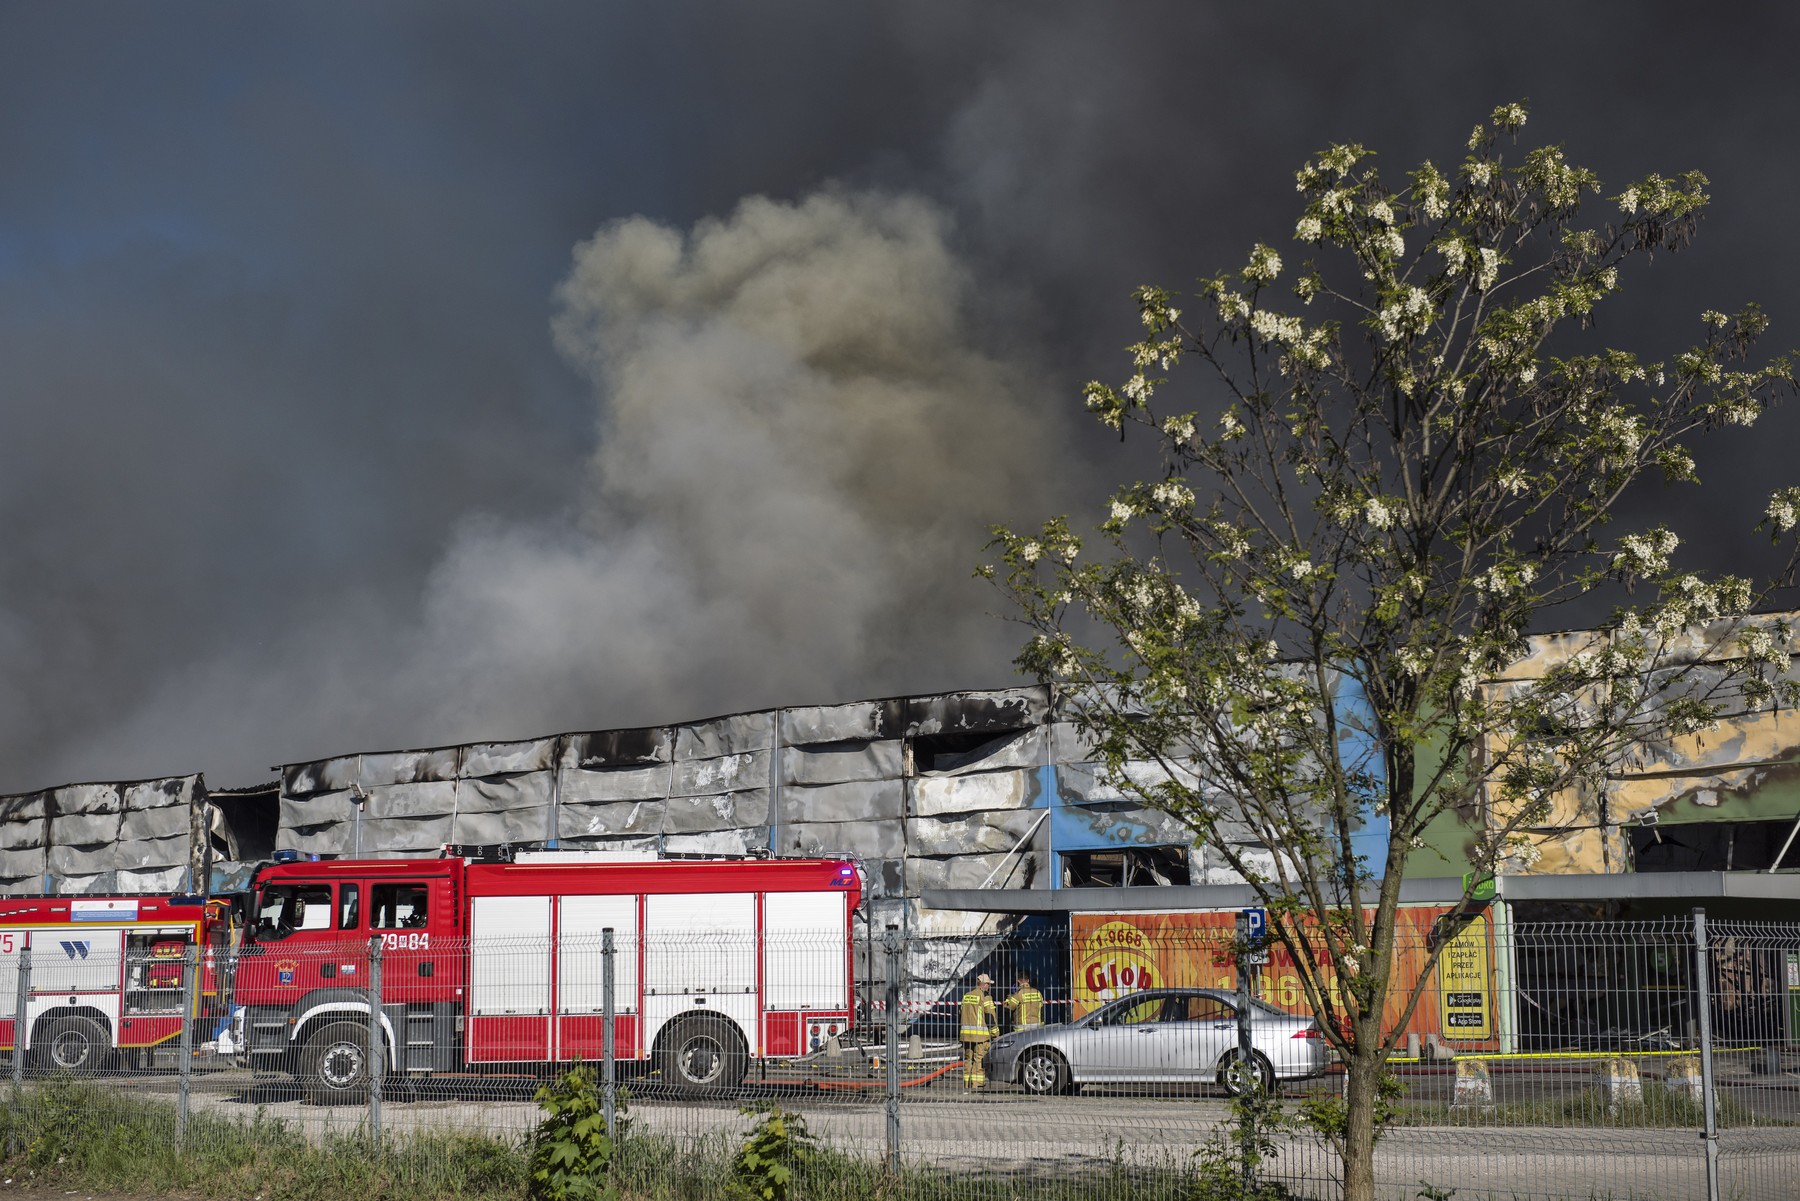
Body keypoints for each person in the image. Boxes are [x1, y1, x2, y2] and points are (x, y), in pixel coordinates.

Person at [959, 973, 997, 1089]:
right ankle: (977, 1084)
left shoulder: (966, 996)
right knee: (979, 1059)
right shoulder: (985, 997)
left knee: (967, 1059)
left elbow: (961, 1012)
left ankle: (966, 1084)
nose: (989, 987)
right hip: (980, 1037)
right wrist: (995, 1034)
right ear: (984, 984)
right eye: (988, 984)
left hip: (966, 1035)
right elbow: (990, 1016)